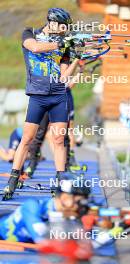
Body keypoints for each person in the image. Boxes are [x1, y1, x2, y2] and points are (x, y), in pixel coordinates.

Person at [3, 8, 81, 200]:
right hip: (37, 96)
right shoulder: (30, 33)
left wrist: (77, 58)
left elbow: (64, 76)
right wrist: (59, 43)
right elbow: (35, 48)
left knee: (58, 141)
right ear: (52, 22)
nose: (64, 30)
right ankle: (13, 180)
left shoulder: (64, 44)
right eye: (62, 26)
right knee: (27, 139)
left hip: (58, 96)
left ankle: (60, 183)